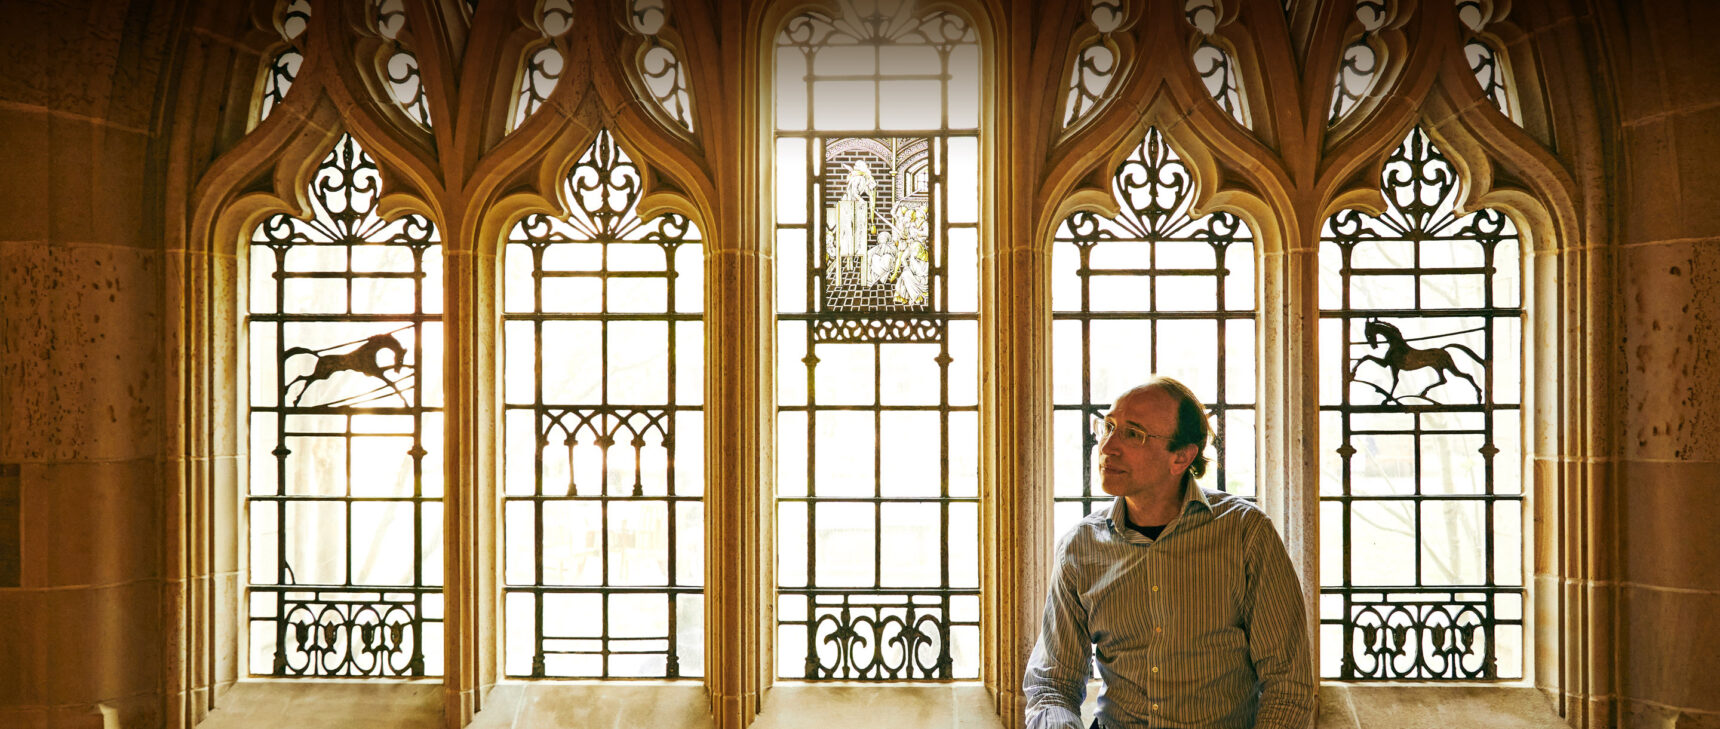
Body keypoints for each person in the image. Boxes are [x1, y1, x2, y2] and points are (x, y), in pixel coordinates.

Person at [1023, 377, 1315, 729]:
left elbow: (1287, 686)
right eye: (1109, 426)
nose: (1107, 446)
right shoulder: (1080, 546)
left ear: (1181, 457)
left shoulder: (1245, 534)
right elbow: (1051, 685)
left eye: (1133, 434)